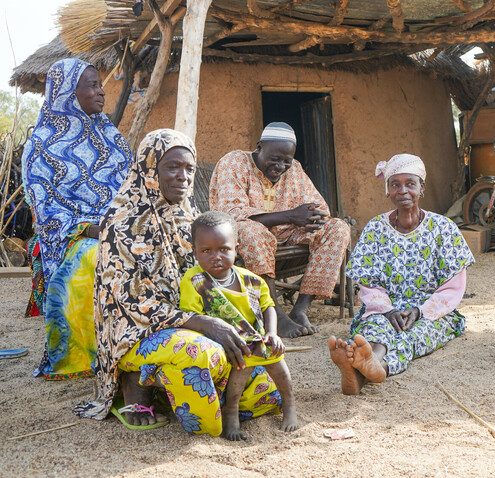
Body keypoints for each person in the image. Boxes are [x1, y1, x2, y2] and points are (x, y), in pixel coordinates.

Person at [74, 129, 283, 436]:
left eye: (189, 168)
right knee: (206, 356)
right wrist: (205, 323)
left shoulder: (189, 218)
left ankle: (173, 385)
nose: (183, 177)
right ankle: (136, 383)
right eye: (172, 167)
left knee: (269, 392)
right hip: (138, 331)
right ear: (149, 169)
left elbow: (208, 279)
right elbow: (136, 306)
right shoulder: (122, 224)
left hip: (190, 322)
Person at [21, 58, 132, 379]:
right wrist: (92, 228)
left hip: (120, 226)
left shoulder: (109, 135)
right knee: (96, 258)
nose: (102, 92)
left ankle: (142, 343)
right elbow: (44, 207)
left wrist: (131, 220)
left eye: (100, 84)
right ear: (69, 91)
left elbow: (133, 185)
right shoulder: (42, 144)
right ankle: (86, 356)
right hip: (73, 238)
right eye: (93, 85)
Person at [328, 154, 474, 395]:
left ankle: (372, 369)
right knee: (375, 326)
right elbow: (368, 283)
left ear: (422, 188)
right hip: (385, 307)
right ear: (387, 191)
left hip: (433, 311)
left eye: (410, 184)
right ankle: (368, 364)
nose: (403, 190)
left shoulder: (443, 228)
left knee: (414, 334)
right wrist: (388, 310)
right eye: (395, 184)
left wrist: (420, 311)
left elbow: (452, 286)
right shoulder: (376, 228)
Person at [209, 122, 351, 338]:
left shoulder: (294, 169)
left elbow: (320, 208)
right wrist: (290, 215)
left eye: (286, 161)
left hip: (287, 236)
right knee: (252, 231)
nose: (280, 166)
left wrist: (312, 217)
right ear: (259, 147)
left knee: (338, 228)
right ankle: (272, 312)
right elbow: (231, 213)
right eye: (274, 159)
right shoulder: (234, 162)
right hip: (244, 238)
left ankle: (301, 309)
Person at [180, 211, 298, 439]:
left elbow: (268, 306)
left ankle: (290, 405)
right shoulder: (194, 281)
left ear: (236, 247)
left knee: (278, 364)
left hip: (256, 340)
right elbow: (192, 317)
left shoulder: (251, 280)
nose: (216, 256)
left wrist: (273, 334)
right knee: (238, 375)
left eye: (224, 249)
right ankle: (231, 413)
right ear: (194, 251)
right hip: (226, 345)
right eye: (206, 251)